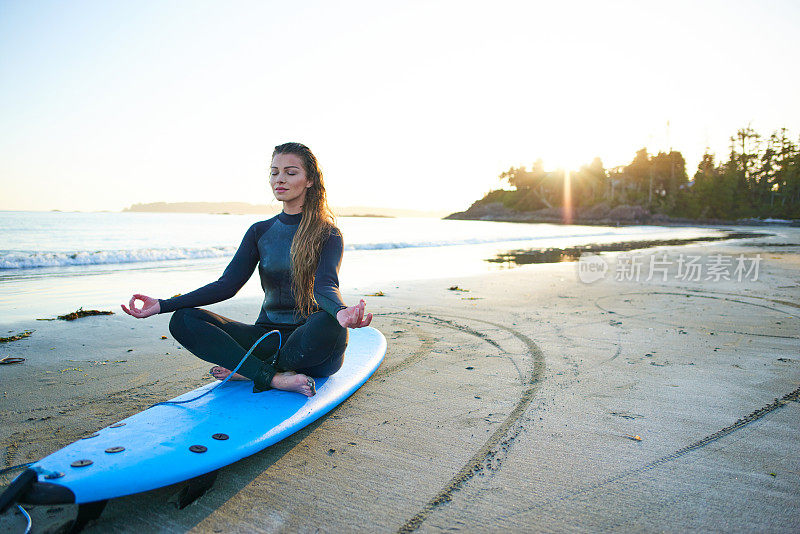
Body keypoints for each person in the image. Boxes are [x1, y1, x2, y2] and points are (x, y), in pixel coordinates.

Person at [122, 142, 372, 397]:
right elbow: (226, 285)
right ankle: (272, 376)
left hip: (310, 345)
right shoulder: (260, 231)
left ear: (309, 180)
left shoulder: (327, 233)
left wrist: (340, 312)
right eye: (274, 172)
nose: (280, 179)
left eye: (290, 172)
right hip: (267, 337)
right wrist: (163, 305)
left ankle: (250, 369)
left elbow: (325, 286)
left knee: (327, 323)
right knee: (184, 319)